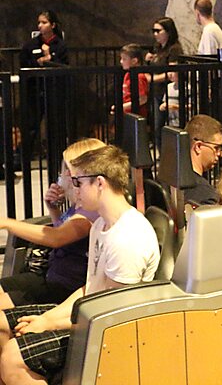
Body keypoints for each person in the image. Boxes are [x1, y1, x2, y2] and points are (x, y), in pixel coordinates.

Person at [0, 145, 160, 384]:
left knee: (12, 358)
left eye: (78, 183)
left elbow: (112, 312)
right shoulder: (101, 225)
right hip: (92, 313)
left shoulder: (128, 238)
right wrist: (49, 318)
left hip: (112, 330)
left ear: (99, 183)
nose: (74, 191)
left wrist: (49, 323)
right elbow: (89, 289)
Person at [0, 138, 105, 309]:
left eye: (68, 170)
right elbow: (62, 232)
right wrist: (53, 209)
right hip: (50, 276)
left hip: (63, 288)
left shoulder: (90, 213)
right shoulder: (79, 205)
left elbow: (56, 238)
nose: (64, 175)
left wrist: (7, 223)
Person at [19, 11, 69, 174]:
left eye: (44, 22)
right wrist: (38, 62)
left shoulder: (60, 45)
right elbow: (24, 63)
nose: (40, 26)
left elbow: (64, 66)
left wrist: (49, 57)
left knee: (55, 127)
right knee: (31, 126)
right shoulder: (31, 45)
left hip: (54, 91)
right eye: (39, 23)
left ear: (52, 25)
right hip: (35, 91)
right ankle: (23, 161)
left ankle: (57, 160)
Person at [147, 17, 184, 144]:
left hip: (166, 91)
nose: (155, 34)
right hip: (156, 91)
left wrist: (153, 78)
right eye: (154, 31)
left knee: (162, 125)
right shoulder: (157, 48)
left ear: (168, 31)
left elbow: (172, 72)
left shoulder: (174, 49)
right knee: (156, 126)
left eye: (158, 31)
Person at [185, 114, 222, 205]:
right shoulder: (206, 196)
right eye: (216, 148)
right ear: (198, 147)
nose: (221, 154)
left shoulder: (166, 179)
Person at [116, 44, 149, 117]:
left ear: (134, 61)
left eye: (124, 59)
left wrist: (123, 107)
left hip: (137, 115)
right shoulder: (127, 75)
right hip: (128, 113)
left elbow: (143, 99)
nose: (121, 61)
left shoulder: (139, 77)